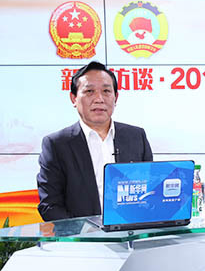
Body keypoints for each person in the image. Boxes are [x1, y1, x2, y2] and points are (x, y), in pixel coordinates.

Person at [37, 61, 153, 221]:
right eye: (89, 91)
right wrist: (86, 231)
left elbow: (150, 192)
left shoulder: (136, 137)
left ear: (115, 97)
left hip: (132, 232)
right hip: (82, 235)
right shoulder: (56, 144)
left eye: (106, 91)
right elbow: (50, 206)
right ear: (73, 98)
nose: (99, 99)